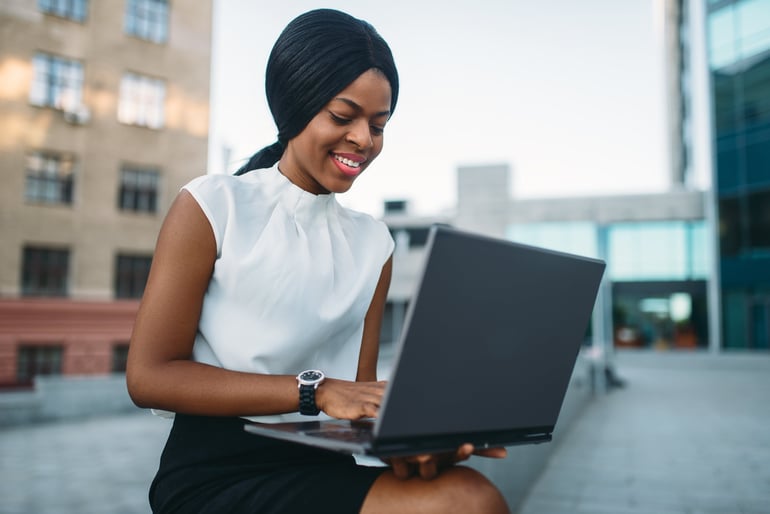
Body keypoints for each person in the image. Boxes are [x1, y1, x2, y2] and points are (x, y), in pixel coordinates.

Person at [126, 8, 509, 514]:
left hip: (326, 467)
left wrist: (416, 442)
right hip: (217, 474)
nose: (363, 140)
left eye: (379, 124)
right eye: (343, 116)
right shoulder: (212, 206)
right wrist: (317, 391)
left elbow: (359, 399)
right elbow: (149, 375)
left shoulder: (374, 243)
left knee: (469, 494)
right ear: (296, 104)